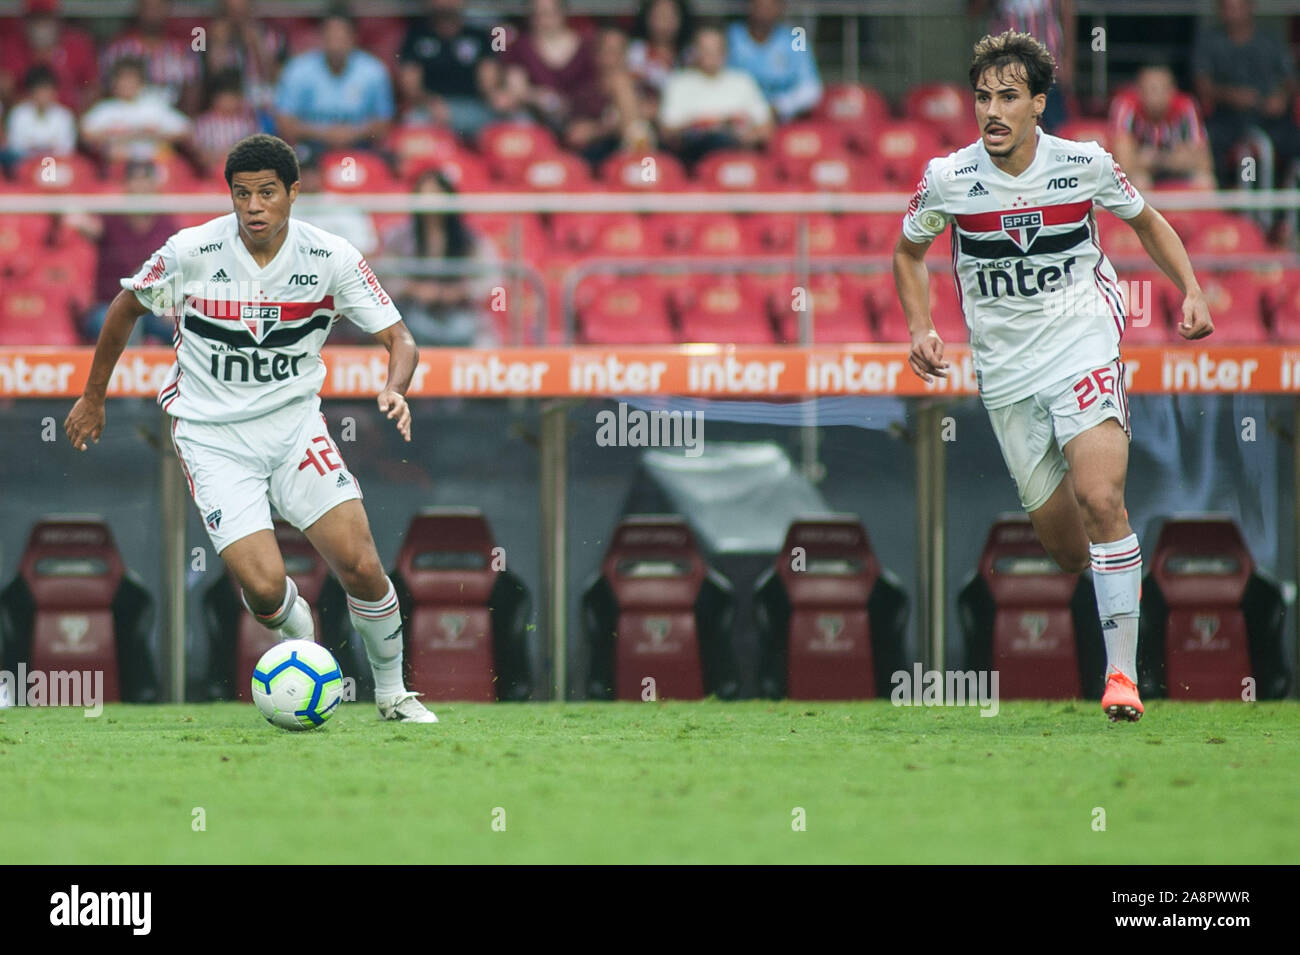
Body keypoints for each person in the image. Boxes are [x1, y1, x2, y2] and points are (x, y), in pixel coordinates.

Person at [893, 31, 1214, 723]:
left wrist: (1189, 287)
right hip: (1006, 375)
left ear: (1039, 104)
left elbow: (1149, 221)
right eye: (983, 97)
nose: (992, 110)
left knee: (1102, 499)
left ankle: (1122, 676)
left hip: (1082, 345)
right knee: (1070, 550)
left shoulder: (1086, 164)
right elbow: (908, 253)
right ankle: (1114, 568)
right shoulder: (949, 177)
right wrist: (921, 326)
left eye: (1008, 96)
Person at [63, 133, 438, 723]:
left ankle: (392, 694)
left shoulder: (331, 256)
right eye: (242, 194)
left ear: (294, 192)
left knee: (362, 564)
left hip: (294, 430)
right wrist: (93, 395)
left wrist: (394, 387)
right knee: (264, 589)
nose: (254, 206)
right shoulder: (190, 250)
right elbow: (125, 307)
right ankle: (308, 651)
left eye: (267, 192)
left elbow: (400, 338)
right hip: (212, 438)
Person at [378, 168, 501, 346]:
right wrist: (413, 289)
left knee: (471, 331)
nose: (431, 201)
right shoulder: (399, 237)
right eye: (425, 194)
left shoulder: (471, 239)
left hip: (461, 313)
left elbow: (491, 278)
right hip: (413, 311)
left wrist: (460, 291)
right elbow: (385, 276)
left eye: (436, 193)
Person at [1192, 0, 1300, 191]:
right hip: (1227, 120)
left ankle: (1283, 207)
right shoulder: (1209, 42)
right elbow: (1203, 86)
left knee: (1292, 143)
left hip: (1269, 119)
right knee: (1211, 148)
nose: (1234, 13)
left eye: (1239, 7)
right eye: (1229, 8)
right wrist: (1232, 96)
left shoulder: (1270, 40)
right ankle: (1229, 207)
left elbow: (1290, 80)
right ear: (1220, 11)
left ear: (1250, 7)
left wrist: (1281, 98)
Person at [72, 159, 180, 344]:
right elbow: (80, 221)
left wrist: (172, 306)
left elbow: (176, 270)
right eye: (135, 180)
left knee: (183, 326)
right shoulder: (110, 218)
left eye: (145, 180)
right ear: (126, 184)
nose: (140, 186)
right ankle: (121, 372)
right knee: (111, 322)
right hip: (111, 303)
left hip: (152, 307)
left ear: (154, 184)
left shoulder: (166, 224)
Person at [274, 10, 395, 158]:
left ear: (353, 38)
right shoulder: (297, 70)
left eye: (341, 37)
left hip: (360, 145)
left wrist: (352, 134)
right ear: (321, 38)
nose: (336, 45)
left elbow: (384, 123)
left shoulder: (374, 71)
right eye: (331, 37)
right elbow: (284, 124)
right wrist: (325, 134)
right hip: (311, 148)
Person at [659, 22, 773, 166]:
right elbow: (667, 131)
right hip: (694, 154)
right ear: (694, 51)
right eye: (704, 49)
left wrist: (741, 135)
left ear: (726, 52)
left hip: (736, 151)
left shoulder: (742, 81)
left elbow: (766, 128)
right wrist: (703, 125)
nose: (710, 55)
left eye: (715, 49)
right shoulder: (679, 82)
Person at [397, 0, 511, 139]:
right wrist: (430, 102)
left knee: (506, 126)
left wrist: (497, 96)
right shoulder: (416, 35)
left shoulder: (478, 35)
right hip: (429, 107)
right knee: (414, 125)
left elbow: (488, 82)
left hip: (473, 106)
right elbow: (410, 85)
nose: (446, 3)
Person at [969, 0, 1074, 131]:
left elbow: (1066, 14)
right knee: (1007, 125)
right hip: (1006, 69)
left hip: (1046, 65)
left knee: (1054, 127)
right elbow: (974, 11)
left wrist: (1068, 60)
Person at [1108, 62, 1214, 191]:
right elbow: (1124, 163)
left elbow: (1205, 163)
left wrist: (1158, 160)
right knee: (1139, 182)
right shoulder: (1125, 105)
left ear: (1172, 91)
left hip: (1176, 171)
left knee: (1206, 181)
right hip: (1139, 174)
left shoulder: (1186, 106)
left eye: (1161, 89)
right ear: (1139, 91)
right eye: (1150, 89)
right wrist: (1177, 158)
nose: (1155, 96)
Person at [80, 57, 193, 165]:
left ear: (141, 83)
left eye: (131, 80)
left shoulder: (154, 106)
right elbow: (86, 134)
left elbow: (185, 131)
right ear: (114, 83)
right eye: (123, 80)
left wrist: (153, 135)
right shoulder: (106, 109)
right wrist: (127, 135)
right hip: (120, 166)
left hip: (155, 164)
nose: (127, 84)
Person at [99, 0, 202, 115]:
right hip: (125, 123)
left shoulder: (182, 52)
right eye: (148, 7)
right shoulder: (118, 50)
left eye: (158, 7)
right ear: (138, 9)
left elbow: (192, 92)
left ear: (168, 10)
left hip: (170, 123)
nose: (153, 13)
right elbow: (105, 90)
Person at [725, 0, 822, 123]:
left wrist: (780, 107)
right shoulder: (731, 38)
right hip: (738, 120)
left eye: (770, 6)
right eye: (759, 5)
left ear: (781, 7)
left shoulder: (795, 39)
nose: (764, 12)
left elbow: (810, 89)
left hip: (784, 120)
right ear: (748, 6)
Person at [0, 0, 99, 114]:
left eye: (46, 18)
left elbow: (92, 87)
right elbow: (5, 87)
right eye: (36, 19)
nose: (41, 25)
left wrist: (77, 116)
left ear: (57, 19)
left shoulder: (78, 44)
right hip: (27, 118)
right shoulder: (12, 46)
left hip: (70, 118)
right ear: (26, 21)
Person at [193, 69, 262, 176]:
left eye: (235, 97)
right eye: (228, 97)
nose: (232, 102)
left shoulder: (247, 123)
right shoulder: (203, 123)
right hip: (210, 176)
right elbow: (201, 156)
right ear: (216, 97)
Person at [4, 65, 78, 162]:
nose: (43, 96)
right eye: (39, 91)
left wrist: (39, 149)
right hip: (24, 164)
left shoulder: (65, 116)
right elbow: (14, 145)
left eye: (47, 90)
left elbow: (67, 148)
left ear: (54, 92)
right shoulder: (18, 114)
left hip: (56, 164)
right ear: (31, 93)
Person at [628, 0, 695, 100]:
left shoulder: (690, 54)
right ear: (647, 18)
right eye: (659, 16)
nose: (665, 22)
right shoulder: (637, 51)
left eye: (670, 16)